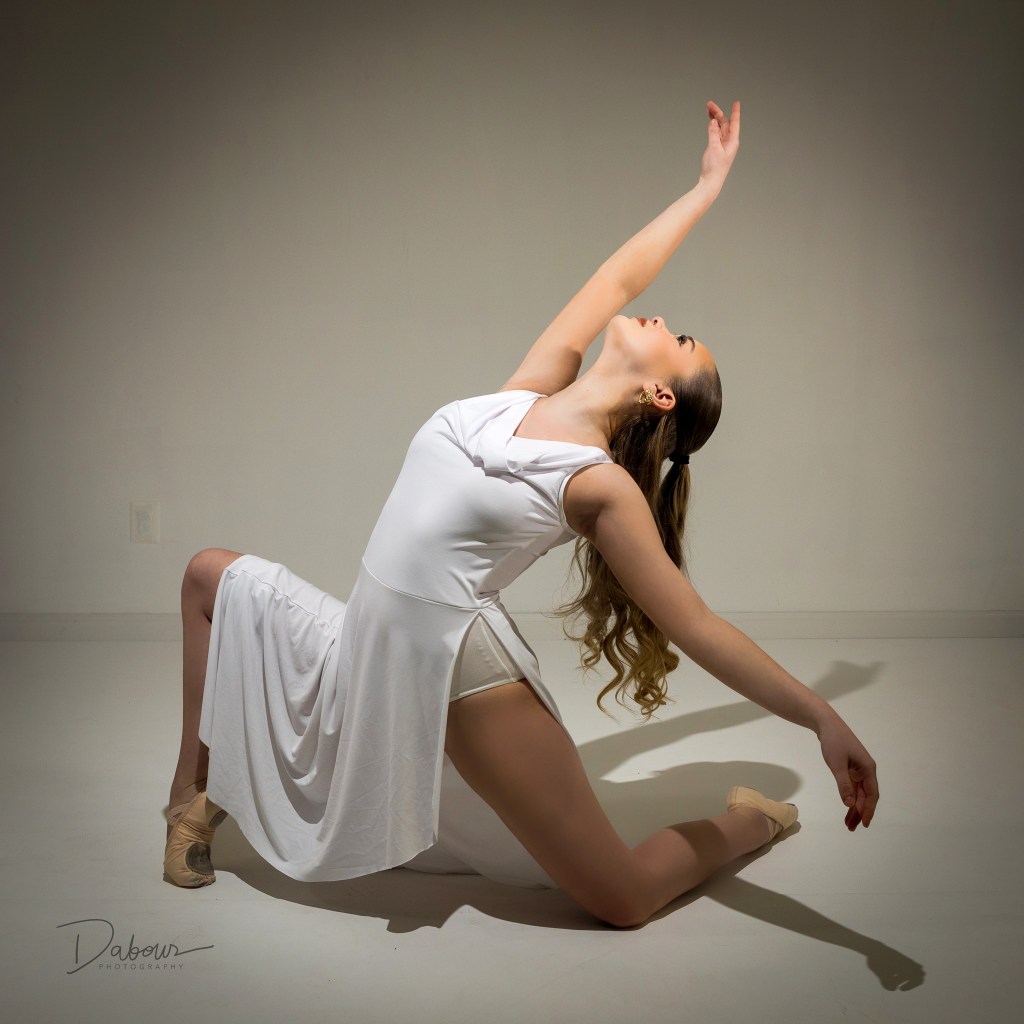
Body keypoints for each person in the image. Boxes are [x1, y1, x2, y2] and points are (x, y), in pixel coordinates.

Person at [164, 100, 878, 928]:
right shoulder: (524, 394)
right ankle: (190, 800)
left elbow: (695, 626)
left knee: (622, 898)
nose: (660, 317)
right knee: (206, 580)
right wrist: (706, 188)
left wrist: (821, 716)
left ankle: (752, 819)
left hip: (459, 672)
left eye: (679, 340)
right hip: (367, 649)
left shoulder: (595, 485)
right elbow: (618, 278)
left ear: (658, 394)